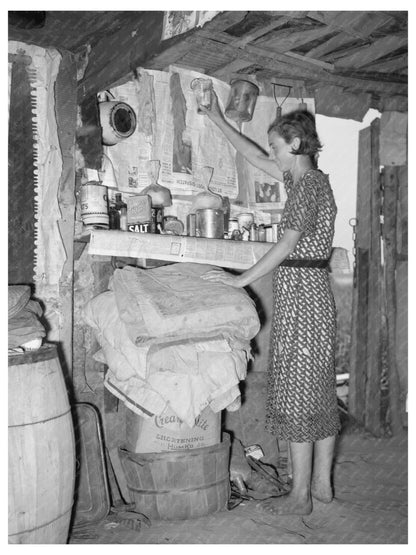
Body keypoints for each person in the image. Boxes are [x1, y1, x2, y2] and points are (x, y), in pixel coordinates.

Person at [200, 92, 340, 516]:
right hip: (312, 293)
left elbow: (287, 244)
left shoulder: (305, 189)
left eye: (278, 147)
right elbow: (253, 154)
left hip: (303, 297)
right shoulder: (308, 180)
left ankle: (300, 497)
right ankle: (321, 486)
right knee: (319, 393)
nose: (272, 155)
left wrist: (240, 278)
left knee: (299, 394)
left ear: (295, 146)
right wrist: (217, 118)